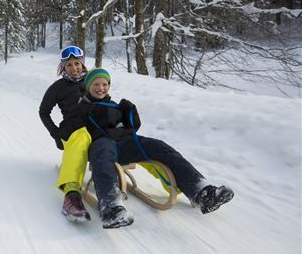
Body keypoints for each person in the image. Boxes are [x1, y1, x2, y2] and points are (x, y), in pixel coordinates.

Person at [69, 68, 234, 229]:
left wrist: (130, 112)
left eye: (104, 84)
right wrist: (80, 114)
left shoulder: (113, 105)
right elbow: (70, 131)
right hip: (100, 144)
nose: (101, 88)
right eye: (96, 84)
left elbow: (132, 127)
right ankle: (111, 207)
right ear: (88, 86)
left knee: (159, 146)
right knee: (104, 156)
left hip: (123, 143)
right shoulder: (81, 106)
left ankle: (201, 193)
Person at [39, 45, 92, 222]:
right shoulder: (58, 87)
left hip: (95, 127)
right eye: (69, 65)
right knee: (81, 138)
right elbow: (43, 111)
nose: (74, 68)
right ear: (63, 67)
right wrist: (55, 133)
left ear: (83, 64)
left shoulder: (92, 81)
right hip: (72, 129)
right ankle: (71, 195)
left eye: (77, 63)